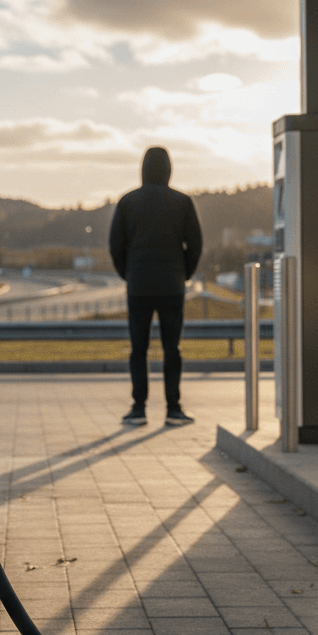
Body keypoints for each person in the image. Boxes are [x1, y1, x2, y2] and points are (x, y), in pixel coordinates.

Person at [109, 146, 203, 427]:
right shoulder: (182, 202)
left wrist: (129, 274)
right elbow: (195, 245)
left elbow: (116, 246)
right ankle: (173, 408)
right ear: (169, 168)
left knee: (138, 349)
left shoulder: (128, 202)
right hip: (171, 286)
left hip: (138, 285)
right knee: (172, 348)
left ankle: (138, 408)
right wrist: (183, 273)